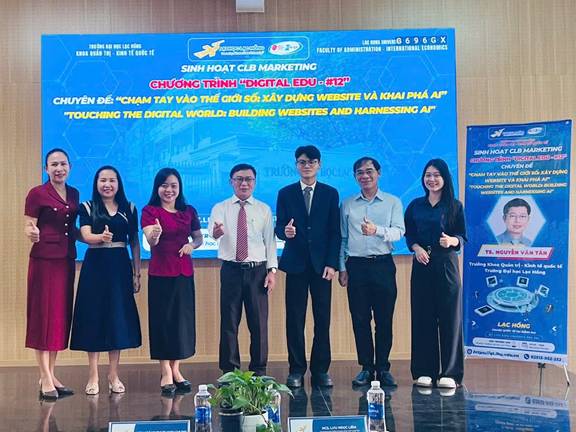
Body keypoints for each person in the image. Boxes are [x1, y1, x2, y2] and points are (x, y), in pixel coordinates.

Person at [70, 166, 142, 395]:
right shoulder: (87, 207)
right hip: (95, 267)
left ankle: (113, 374)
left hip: (120, 267)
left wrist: (136, 273)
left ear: (119, 183)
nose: (107, 184)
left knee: (116, 319)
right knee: (93, 318)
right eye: (103, 180)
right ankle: (93, 375)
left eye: (112, 180)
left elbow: (134, 242)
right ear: (96, 183)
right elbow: (85, 234)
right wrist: (99, 237)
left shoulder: (130, 208)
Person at [275, 145, 341, 388]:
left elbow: (335, 232)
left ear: (319, 165)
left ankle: (321, 370)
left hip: (322, 266)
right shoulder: (285, 193)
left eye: (311, 162)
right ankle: (296, 369)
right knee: (295, 319)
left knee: (322, 319)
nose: (307, 166)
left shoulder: (330, 193)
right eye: (302, 162)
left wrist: (332, 263)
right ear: (296, 165)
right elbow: (279, 228)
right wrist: (286, 232)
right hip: (296, 265)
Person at [338, 157, 405, 387]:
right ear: (355, 176)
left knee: (384, 319)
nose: (364, 176)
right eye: (360, 172)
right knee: (360, 319)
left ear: (378, 173)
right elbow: (343, 238)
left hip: (383, 265)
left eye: (369, 171)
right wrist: (342, 267)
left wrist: (376, 230)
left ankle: (383, 368)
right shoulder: (347, 204)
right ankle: (366, 367)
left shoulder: (393, 202)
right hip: (356, 266)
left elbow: (399, 232)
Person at [208, 164, 277, 376]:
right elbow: (213, 234)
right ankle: (229, 370)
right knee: (229, 322)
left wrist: (272, 271)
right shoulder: (220, 207)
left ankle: (259, 370)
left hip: (258, 272)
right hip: (231, 270)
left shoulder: (263, 209)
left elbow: (270, 242)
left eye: (248, 179)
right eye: (239, 179)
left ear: (254, 182)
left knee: (259, 324)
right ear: (231, 181)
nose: (244, 183)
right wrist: (217, 232)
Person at [404, 158, 467, 390]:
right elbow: (409, 234)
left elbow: (463, 237)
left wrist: (452, 240)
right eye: (428, 175)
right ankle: (424, 371)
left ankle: (450, 373)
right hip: (422, 265)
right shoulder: (415, 205)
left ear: (445, 178)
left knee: (450, 319)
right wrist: (416, 248)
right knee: (423, 318)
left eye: (436, 175)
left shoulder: (455, 206)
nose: (431, 179)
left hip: (446, 266)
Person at [141, 168, 203, 395]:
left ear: (179, 188)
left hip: (183, 274)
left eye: (173, 185)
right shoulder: (150, 211)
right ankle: (165, 370)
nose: (169, 190)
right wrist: (156, 233)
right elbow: (150, 240)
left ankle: (176, 369)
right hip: (160, 274)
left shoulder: (188, 210)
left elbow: (198, 238)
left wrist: (191, 245)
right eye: (164, 185)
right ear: (157, 188)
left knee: (180, 323)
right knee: (163, 322)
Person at [24, 148, 79, 400]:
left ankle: (51, 374)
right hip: (44, 261)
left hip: (66, 260)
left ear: (69, 167)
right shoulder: (36, 193)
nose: (59, 168)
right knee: (43, 318)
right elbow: (29, 226)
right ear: (46, 168)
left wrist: (94, 237)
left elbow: (72, 229)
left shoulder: (74, 193)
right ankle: (44, 377)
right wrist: (32, 233)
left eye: (63, 164)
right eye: (54, 164)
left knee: (58, 318)